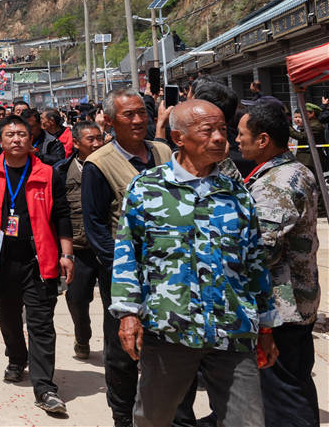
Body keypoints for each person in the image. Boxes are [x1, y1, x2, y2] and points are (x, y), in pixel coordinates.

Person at [110, 100, 277, 427]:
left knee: (248, 422)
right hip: (169, 330)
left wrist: (267, 325)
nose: (220, 138)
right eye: (208, 131)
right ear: (179, 137)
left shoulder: (237, 193)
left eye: (223, 130)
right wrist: (128, 313)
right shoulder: (147, 189)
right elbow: (126, 254)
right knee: (153, 419)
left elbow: (256, 262)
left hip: (232, 329)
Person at [81, 88, 187, 427]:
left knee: (173, 347)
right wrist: (125, 273)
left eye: (143, 112)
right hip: (124, 275)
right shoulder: (99, 164)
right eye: (130, 115)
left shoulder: (164, 152)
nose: (140, 120)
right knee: (123, 351)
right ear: (110, 121)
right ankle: (123, 418)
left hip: (171, 273)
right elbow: (96, 226)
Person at [0, 115, 73, 416]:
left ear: (31, 139)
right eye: (10, 134)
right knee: (9, 318)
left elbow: (62, 215)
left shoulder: (48, 173)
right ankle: (16, 358)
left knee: (40, 323)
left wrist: (67, 254)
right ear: (0, 140)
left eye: (22, 134)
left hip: (37, 259)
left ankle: (45, 387)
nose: (16, 139)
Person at [238, 101, 321, 427]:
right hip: (294, 302)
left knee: (283, 395)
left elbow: (262, 247)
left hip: (280, 307)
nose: (236, 141)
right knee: (295, 387)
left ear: (263, 140)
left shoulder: (278, 183)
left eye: (242, 134)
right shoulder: (288, 171)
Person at [60, 121, 105, 359]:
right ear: (76, 143)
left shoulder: (113, 166)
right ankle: (82, 335)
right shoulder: (62, 171)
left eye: (100, 138)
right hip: (79, 248)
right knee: (77, 298)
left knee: (114, 303)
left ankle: (116, 348)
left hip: (109, 248)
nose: (97, 143)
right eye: (91, 139)